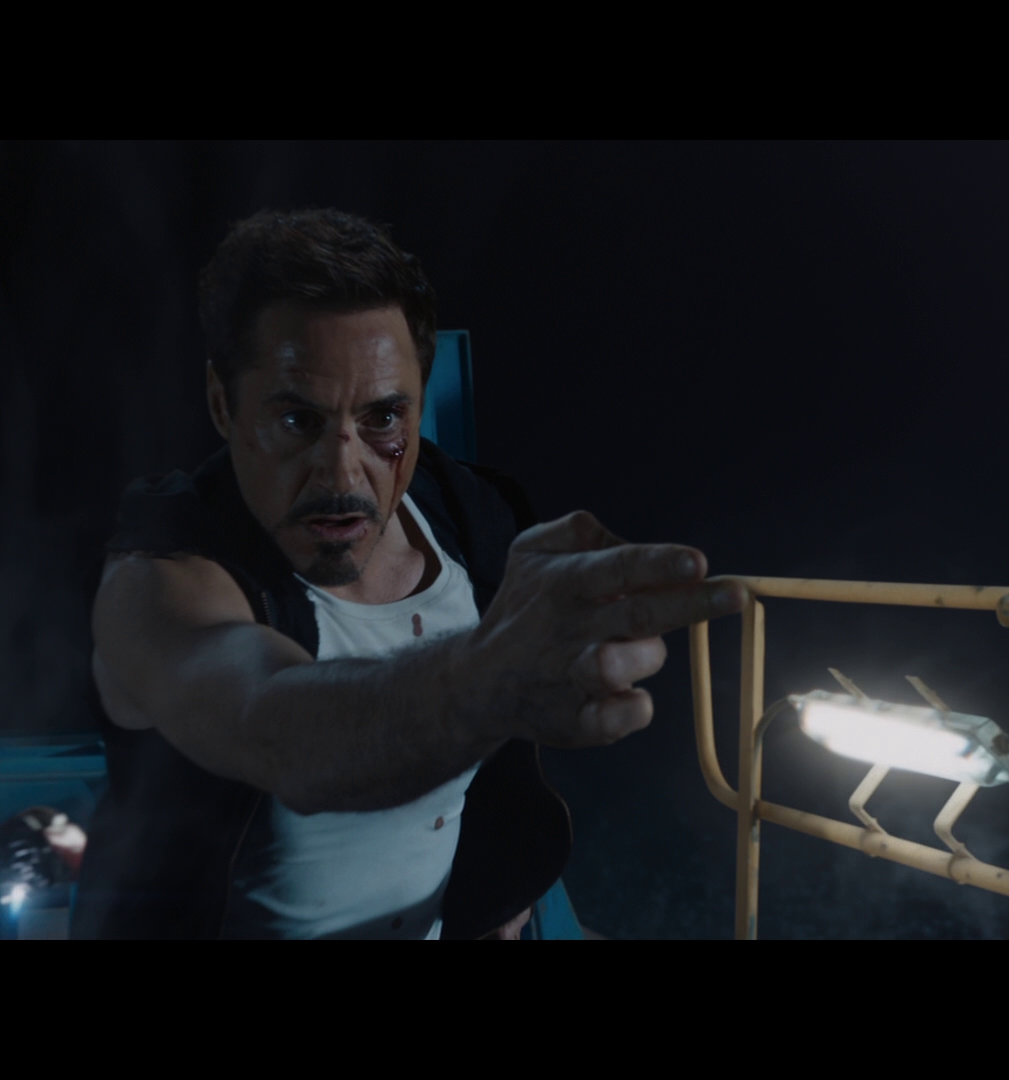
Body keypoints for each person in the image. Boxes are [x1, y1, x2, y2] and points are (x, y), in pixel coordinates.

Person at [73, 209, 743, 940]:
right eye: (296, 421)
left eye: (384, 419)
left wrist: (501, 891)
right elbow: (277, 731)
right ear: (221, 404)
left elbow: (491, 782)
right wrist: (484, 682)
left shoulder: (474, 518)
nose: (342, 473)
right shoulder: (160, 576)